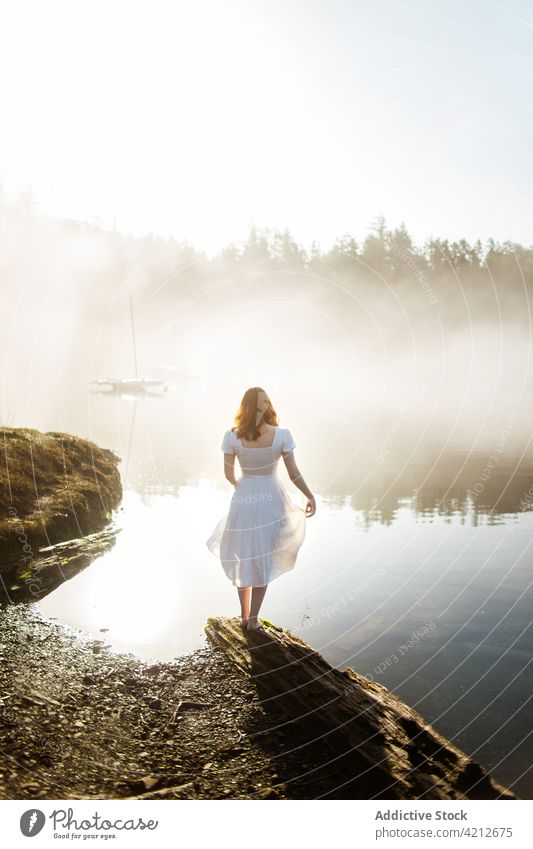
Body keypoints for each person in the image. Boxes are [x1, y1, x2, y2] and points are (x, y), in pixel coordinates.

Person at [206, 387, 316, 630]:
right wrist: (309, 495)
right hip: (271, 499)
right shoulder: (282, 435)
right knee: (263, 555)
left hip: (243, 499)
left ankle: (244, 616)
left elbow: (228, 474)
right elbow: (294, 473)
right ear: (264, 405)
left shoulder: (232, 436)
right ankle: (253, 619)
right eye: (265, 401)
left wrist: (244, 487)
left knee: (243, 554)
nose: (266, 404)